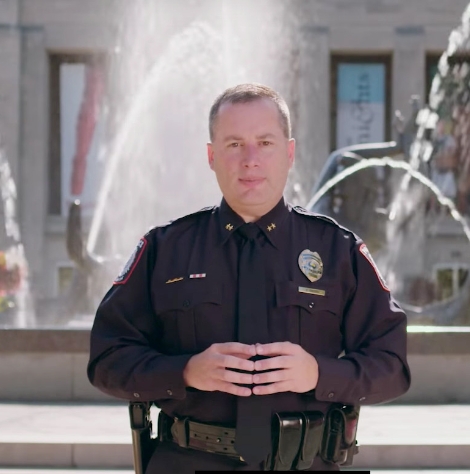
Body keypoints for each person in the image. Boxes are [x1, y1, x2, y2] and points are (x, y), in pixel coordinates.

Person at [87, 83, 411, 473]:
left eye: (265, 143)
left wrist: (320, 373)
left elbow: (392, 366)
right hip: (188, 462)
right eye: (235, 144)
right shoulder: (165, 249)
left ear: (289, 153)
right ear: (211, 156)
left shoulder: (337, 250)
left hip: (306, 463)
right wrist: (185, 371)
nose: (250, 160)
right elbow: (107, 358)